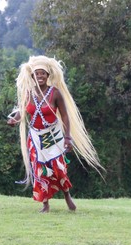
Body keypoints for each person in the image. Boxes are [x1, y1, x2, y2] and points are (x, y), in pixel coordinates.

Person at [7, 55, 103, 213]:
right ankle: (45, 203)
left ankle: (67, 196)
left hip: (53, 135)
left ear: (48, 76)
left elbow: (65, 116)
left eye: (43, 74)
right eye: (37, 74)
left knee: (58, 168)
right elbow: (22, 111)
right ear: (32, 76)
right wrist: (14, 120)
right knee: (39, 169)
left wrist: (67, 137)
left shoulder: (55, 93)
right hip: (35, 137)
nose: (40, 77)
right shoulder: (28, 93)